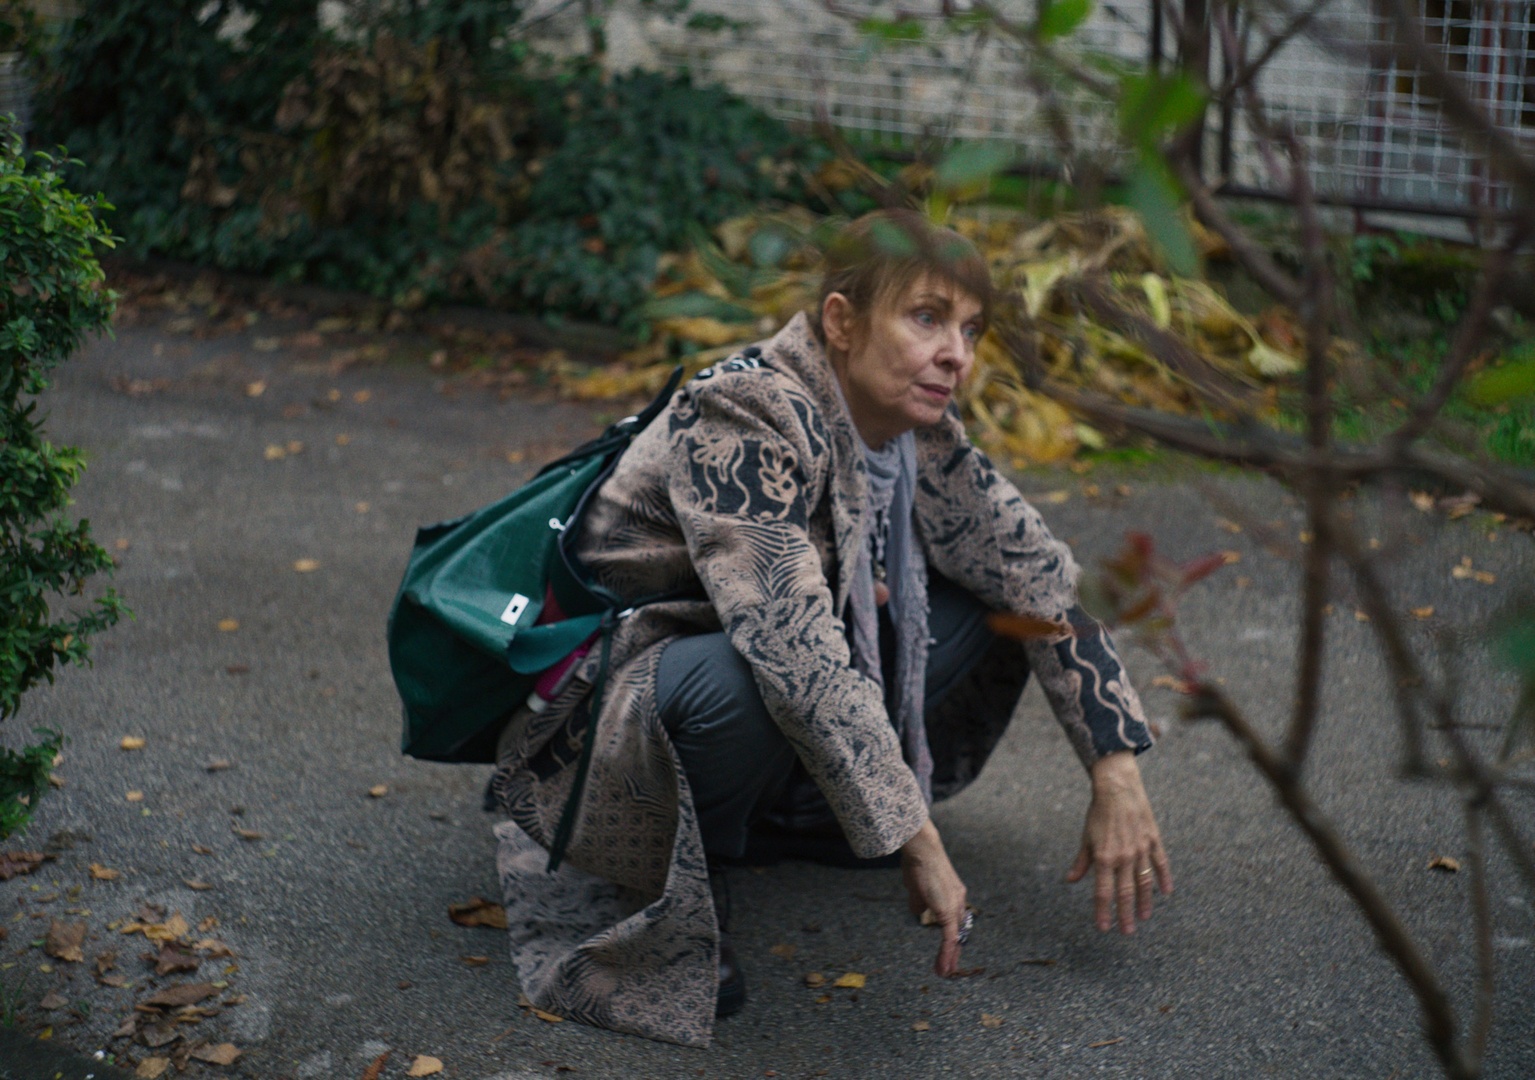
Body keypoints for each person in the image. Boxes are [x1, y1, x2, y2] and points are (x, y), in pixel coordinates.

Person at [487, 208, 1172, 1048]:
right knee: (752, 671)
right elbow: (790, 647)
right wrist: (916, 836)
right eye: (926, 318)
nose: (956, 353)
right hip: (609, 711)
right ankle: (669, 872)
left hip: (729, 682)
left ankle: (798, 815)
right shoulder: (743, 411)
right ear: (841, 322)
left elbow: (1040, 577)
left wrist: (1114, 769)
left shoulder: (918, 440)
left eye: (969, 329)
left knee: (990, 603)